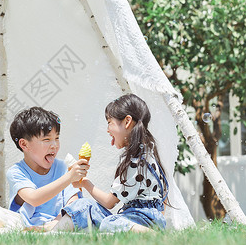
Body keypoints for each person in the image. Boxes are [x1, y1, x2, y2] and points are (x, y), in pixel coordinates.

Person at [61, 94, 170, 233]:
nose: (107, 129)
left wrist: (85, 183)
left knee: (110, 223)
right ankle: (54, 233)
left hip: (144, 221)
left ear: (127, 121)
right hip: (137, 220)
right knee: (85, 205)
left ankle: (152, 234)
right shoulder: (149, 152)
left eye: (109, 122)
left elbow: (109, 202)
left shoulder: (137, 162)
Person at [6, 106, 90, 229]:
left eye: (57, 138)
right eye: (46, 139)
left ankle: (52, 228)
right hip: (24, 223)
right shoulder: (16, 172)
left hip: (58, 221)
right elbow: (34, 198)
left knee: (84, 206)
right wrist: (69, 177)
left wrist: (56, 222)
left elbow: (73, 202)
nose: (54, 145)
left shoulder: (62, 167)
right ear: (24, 144)